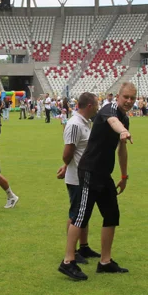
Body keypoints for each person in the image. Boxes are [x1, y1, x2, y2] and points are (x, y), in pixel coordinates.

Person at [58, 82, 136, 280]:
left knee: (112, 215)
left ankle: (105, 261)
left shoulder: (125, 118)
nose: (128, 101)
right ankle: (68, 261)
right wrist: (122, 131)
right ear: (118, 96)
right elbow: (112, 122)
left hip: (104, 174)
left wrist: (124, 176)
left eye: (132, 98)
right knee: (81, 215)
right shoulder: (109, 110)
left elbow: (122, 150)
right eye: (125, 97)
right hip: (90, 171)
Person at [57, 92, 100, 265]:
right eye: (96, 104)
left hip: (83, 175)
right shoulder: (75, 124)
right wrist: (66, 165)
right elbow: (68, 152)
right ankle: (72, 251)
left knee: (83, 214)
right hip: (76, 177)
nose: (98, 107)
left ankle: (83, 247)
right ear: (89, 106)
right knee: (76, 214)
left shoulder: (84, 123)